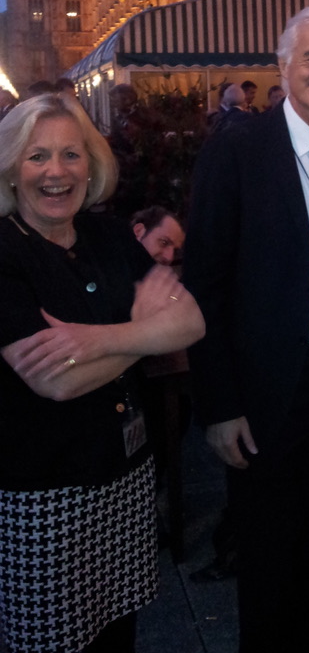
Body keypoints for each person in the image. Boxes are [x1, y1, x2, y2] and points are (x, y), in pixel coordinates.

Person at [184, 4, 309, 653]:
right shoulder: (238, 151)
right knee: (267, 564)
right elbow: (202, 283)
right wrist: (219, 405)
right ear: (283, 66)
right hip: (266, 396)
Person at [0, 93, 204, 653]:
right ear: (11, 169)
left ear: (91, 164)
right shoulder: (4, 253)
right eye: (37, 156)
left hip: (125, 479)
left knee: (118, 637)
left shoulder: (109, 236)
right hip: (43, 498)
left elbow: (187, 320)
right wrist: (145, 332)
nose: (57, 171)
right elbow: (56, 381)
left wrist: (95, 340)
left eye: (71, 154)